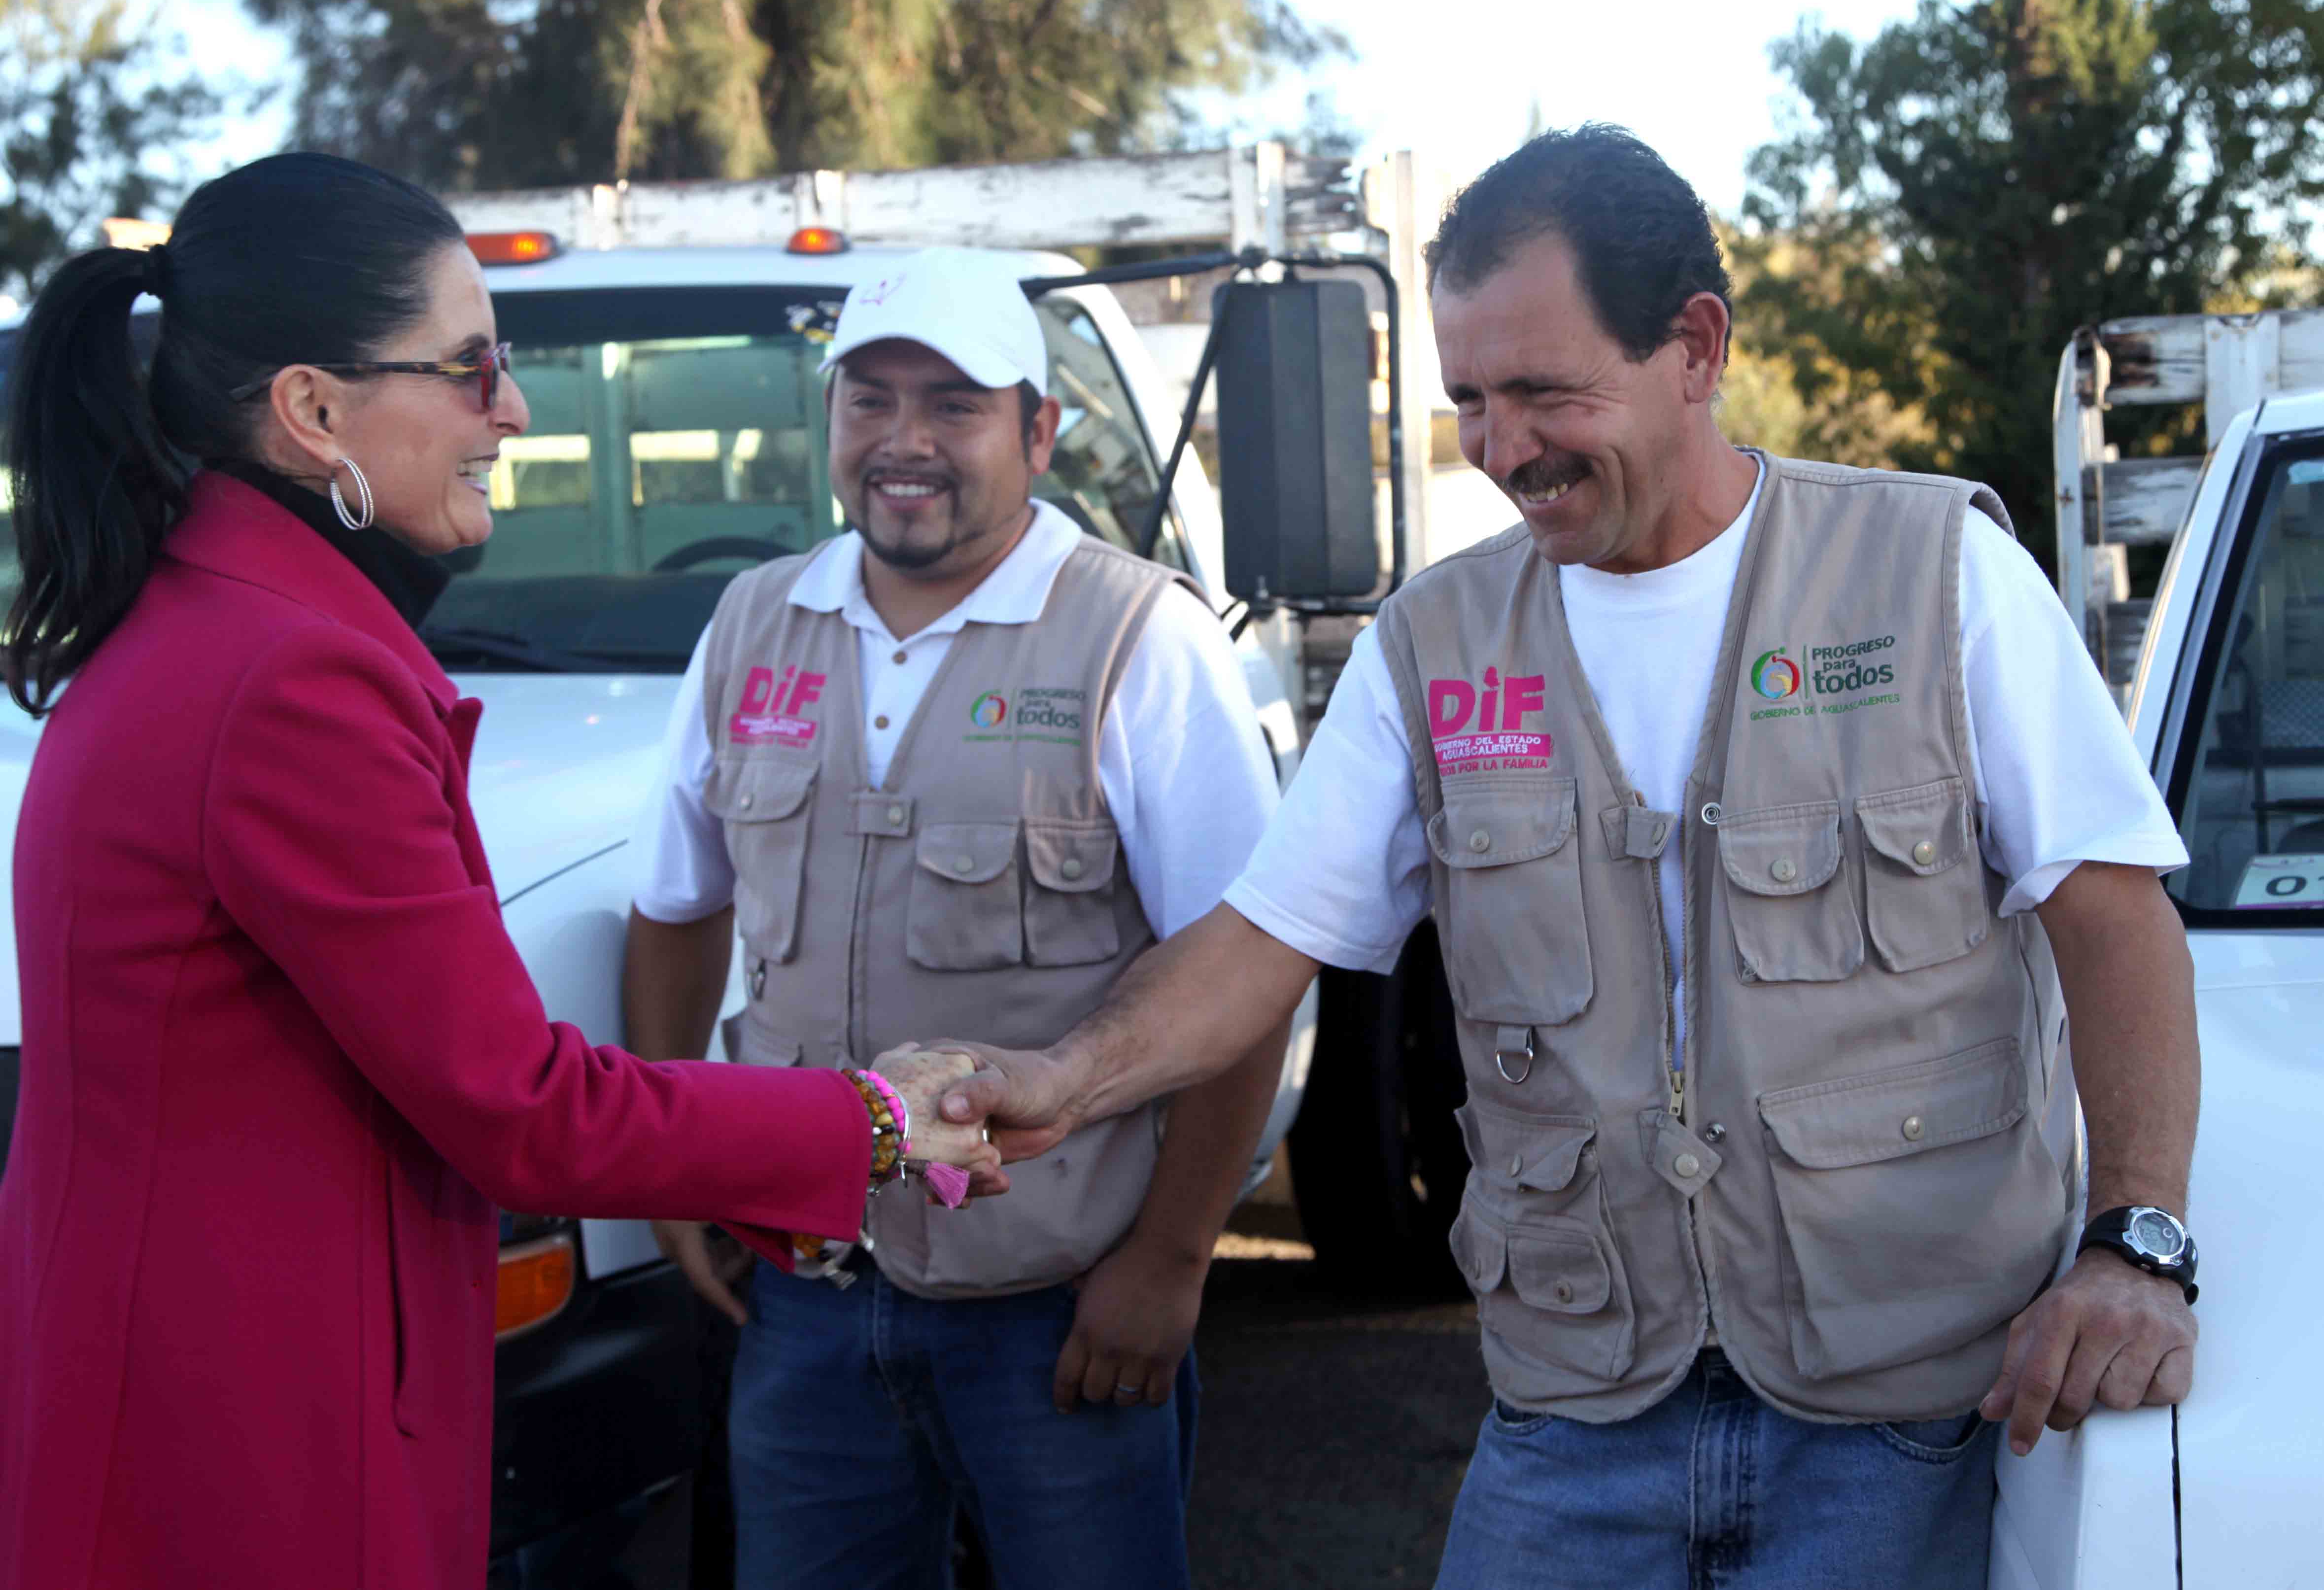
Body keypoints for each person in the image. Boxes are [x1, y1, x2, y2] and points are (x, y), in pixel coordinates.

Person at [942, 126, 2203, 1590]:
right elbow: (1263, 937)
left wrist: (2134, 1245)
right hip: (1574, 1415)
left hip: (1906, 1417)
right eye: (1469, 399)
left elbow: (2111, 919)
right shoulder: (1434, 645)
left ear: (1695, 345)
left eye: (1544, 391)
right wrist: (1065, 1078)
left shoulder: (1929, 575)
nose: (1499, 450)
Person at [0, 153, 993, 1590]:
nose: (511, 410)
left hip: (197, 1400)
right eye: (471, 368)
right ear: (313, 410)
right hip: (251, 1448)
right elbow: (525, 1111)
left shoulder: (202, 626)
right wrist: (874, 1125)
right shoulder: (291, 682)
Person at [622, 245, 1287, 1590]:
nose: (903, 442)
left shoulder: (1133, 639)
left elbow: (1246, 972)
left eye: (953, 404)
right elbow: (677, 907)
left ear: (1037, 432)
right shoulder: (753, 623)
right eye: (869, 401)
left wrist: (1168, 1258)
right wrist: (675, 1161)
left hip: (1055, 1311)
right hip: (804, 1302)